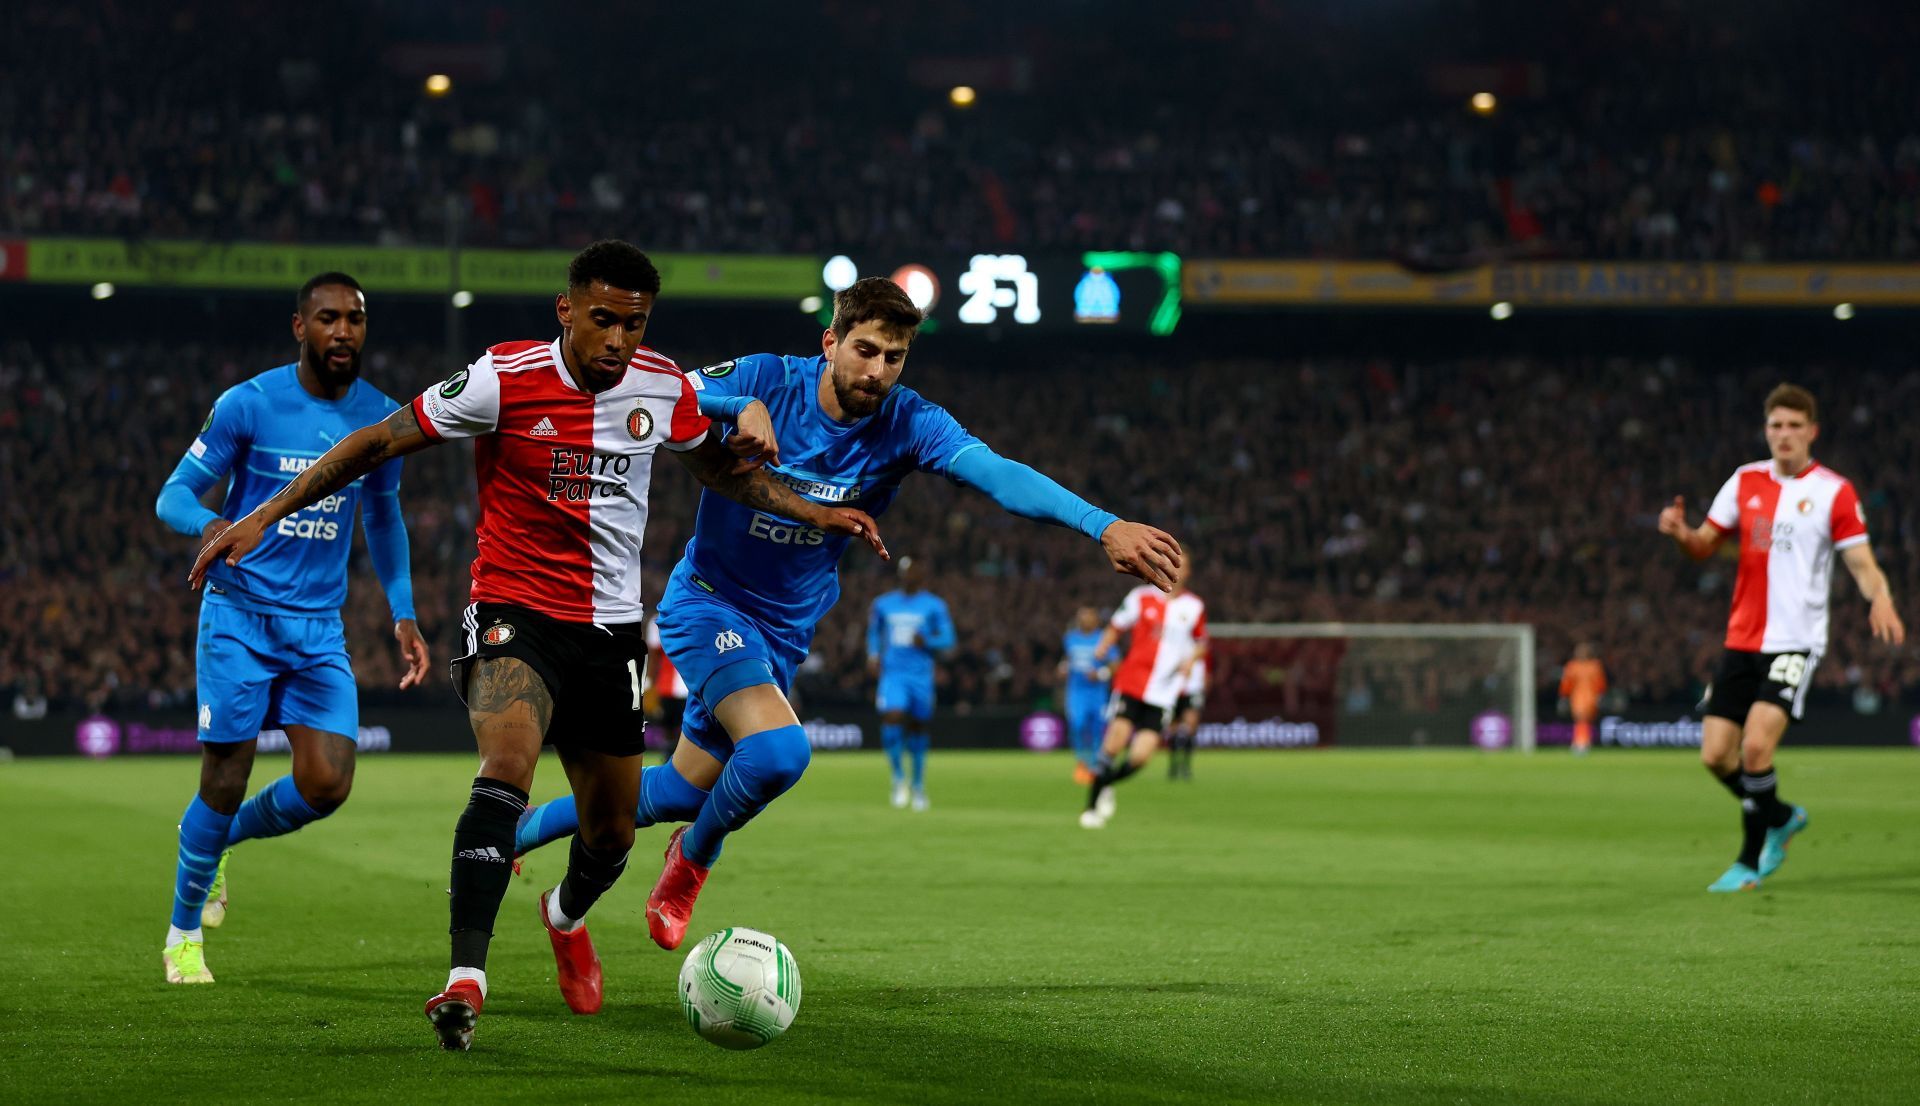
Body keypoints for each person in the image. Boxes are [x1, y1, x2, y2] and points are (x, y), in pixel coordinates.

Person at [189, 241, 882, 1050]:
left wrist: (816, 512)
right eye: (602, 319)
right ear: (567, 311)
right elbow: (378, 440)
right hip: (512, 611)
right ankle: (465, 980)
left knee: (614, 833)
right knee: (508, 762)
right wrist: (265, 512)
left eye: (634, 323)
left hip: (612, 632)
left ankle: (564, 913)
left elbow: (721, 475)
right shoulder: (502, 376)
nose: (618, 338)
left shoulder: (662, 386)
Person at [510, 277, 1181, 950]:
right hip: (708, 604)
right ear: (830, 341)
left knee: (682, 790)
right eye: (864, 350)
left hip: (784, 632)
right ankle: (693, 860)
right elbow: (651, 392)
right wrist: (732, 402)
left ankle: (522, 829)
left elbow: (998, 473)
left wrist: (1102, 525)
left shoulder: (909, 421)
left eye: (894, 357)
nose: (877, 370)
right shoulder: (767, 378)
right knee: (777, 752)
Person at [153, 272, 430, 986]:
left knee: (328, 784)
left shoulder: (380, 417)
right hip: (239, 615)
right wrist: (216, 523)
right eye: (329, 318)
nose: (344, 332)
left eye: (356, 320)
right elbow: (172, 495)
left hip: (317, 629)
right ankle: (183, 934)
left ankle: (221, 846)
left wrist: (403, 611)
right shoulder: (249, 404)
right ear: (300, 327)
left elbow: (383, 518)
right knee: (225, 775)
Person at [1657, 383, 1904, 892]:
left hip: (1795, 640)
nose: (1784, 435)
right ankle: (1783, 815)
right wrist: (1682, 533)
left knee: (1753, 750)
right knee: (1714, 756)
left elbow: (1861, 562)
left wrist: (1879, 596)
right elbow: (1705, 544)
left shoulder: (1834, 491)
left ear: (1812, 432)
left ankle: (1748, 862)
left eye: (1795, 426)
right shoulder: (1745, 480)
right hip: (1741, 638)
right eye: (1776, 426)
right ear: (1766, 431)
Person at [1081, 557, 1206, 828]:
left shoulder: (1194, 607)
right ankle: (1091, 808)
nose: (1177, 569)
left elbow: (1200, 642)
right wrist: (1102, 648)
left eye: (1183, 565)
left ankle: (1106, 784)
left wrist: (1191, 659)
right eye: (1174, 563)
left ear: (1188, 572)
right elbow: (1116, 626)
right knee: (1114, 744)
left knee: (1140, 757)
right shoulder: (1141, 597)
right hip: (1132, 684)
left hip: (1163, 693)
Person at [867, 556, 954, 810]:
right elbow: (874, 632)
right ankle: (898, 777)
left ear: (921, 575)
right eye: (904, 571)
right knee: (892, 716)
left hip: (921, 676)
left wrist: (926, 640)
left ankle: (917, 784)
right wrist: (872, 655)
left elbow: (948, 638)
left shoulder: (934, 605)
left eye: (912, 572)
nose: (908, 576)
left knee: (918, 727)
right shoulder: (883, 604)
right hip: (893, 674)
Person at [1058, 607, 1119, 784]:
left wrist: (1101, 674)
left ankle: (1095, 766)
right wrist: (1063, 667)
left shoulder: (1104, 639)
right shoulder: (1070, 638)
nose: (1084, 620)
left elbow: (1116, 664)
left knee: (1097, 729)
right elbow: (1069, 659)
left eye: (1088, 617)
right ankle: (1082, 763)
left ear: (1096, 620)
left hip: (1097, 692)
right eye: (1081, 617)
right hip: (1076, 691)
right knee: (1077, 725)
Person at [645, 614, 689, 766]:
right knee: (669, 729)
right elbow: (653, 656)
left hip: (691, 688)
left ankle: (683, 765)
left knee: (687, 729)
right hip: (666, 688)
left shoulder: (696, 613)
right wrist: (649, 683)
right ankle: (669, 764)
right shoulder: (657, 621)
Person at [1558, 643, 1607, 755]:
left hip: (1587, 697)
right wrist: (1564, 696)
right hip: (1578, 696)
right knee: (1581, 721)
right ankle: (1582, 742)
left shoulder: (1593, 666)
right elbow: (1567, 683)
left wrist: (1600, 696)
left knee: (1583, 720)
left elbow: (1600, 683)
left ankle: (1581, 743)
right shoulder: (1574, 666)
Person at [1165, 654, 1207, 780]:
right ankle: (1173, 765)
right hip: (1174, 691)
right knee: (1172, 728)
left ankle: (1186, 766)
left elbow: (1205, 672)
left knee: (1191, 726)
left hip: (1192, 691)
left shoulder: (1199, 650)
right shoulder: (1174, 646)